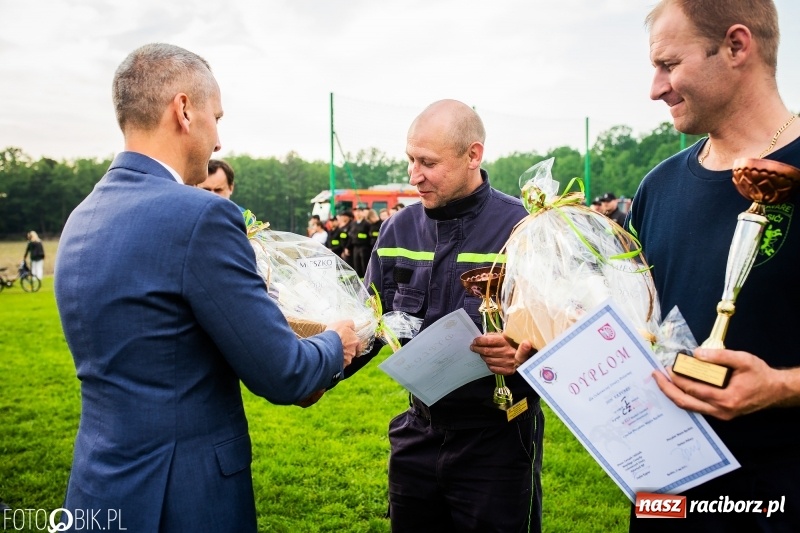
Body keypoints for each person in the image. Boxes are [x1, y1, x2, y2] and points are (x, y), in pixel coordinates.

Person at [53, 43, 358, 533]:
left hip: (97, 486)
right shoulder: (203, 215)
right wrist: (335, 341)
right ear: (184, 110)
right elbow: (282, 372)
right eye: (216, 117)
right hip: (184, 493)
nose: (218, 141)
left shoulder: (81, 216)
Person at [628, 1, 800, 530]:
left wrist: (783, 386)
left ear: (736, 46)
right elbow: (642, 326)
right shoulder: (657, 187)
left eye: (668, 64)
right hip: (664, 496)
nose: (656, 88)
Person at [344, 100, 543, 532]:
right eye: (411, 160)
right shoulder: (398, 229)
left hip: (497, 439)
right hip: (418, 433)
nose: (415, 175)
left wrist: (525, 355)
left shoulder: (524, 230)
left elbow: (562, 333)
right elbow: (367, 321)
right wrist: (315, 365)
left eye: (428, 163)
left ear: (473, 155)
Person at [349, 203, 372, 277]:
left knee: (364, 266)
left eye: (359, 211)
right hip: (355, 247)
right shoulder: (353, 224)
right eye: (356, 211)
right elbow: (351, 236)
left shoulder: (367, 224)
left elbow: (369, 236)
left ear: (363, 212)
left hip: (364, 247)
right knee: (357, 266)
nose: (357, 213)